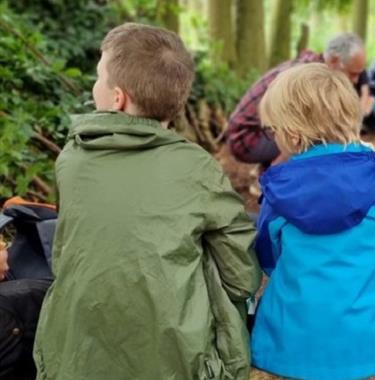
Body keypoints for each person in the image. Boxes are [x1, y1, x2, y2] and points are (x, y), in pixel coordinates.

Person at [33, 23, 261, 379]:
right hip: (175, 361)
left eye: (98, 78)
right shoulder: (197, 166)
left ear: (117, 98)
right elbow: (242, 277)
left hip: (73, 352)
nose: (94, 86)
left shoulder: (72, 159)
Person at [251, 63, 375, 379]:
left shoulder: (277, 189)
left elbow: (268, 262)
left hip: (293, 347)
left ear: (292, 134)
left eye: (273, 130)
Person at [227, 33, 371, 168]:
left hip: (262, 129)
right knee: (317, 133)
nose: (355, 81)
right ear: (334, 60)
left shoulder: (313, 68)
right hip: (246, 137)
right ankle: (275, 179)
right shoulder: (308, 80)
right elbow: (293, 130)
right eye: (352, 74)